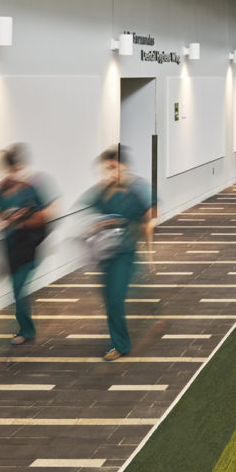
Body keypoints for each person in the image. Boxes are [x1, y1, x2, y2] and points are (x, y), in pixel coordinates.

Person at [81, 146, 155, 361]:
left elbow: (146, 222)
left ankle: (120, 344)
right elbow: (91, 217)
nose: (110, 172)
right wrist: (93, 229)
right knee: (109, 301)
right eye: (107, 169)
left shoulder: (134, 194)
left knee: (115, 300)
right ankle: (119, 339)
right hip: (105, 256)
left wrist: (149, 254)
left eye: (114, 167)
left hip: (125, 254)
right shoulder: (101, 193)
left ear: (125, 167)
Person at [0, 144, 55, 346]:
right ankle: (26, 328)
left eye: (15, 169)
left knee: (19, 288)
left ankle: (26, 330)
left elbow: (47, 215)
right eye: (8, 170)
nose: (11, 174)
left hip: (30, 247)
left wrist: (20, 221)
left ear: (20, 167)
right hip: (10, 248)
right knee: (16, 289)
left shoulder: (32, 188)